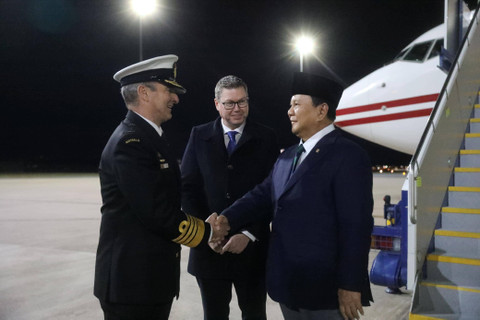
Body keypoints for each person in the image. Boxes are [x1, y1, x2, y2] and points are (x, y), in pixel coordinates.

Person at [214, 72, 374, 320]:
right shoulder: (288, 155)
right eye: (290, 105)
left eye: (296, 104)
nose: (289, 111)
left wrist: (351, 284)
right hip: (289, 286)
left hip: (326, 291)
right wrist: (226, 219)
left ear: (322, 111)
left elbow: (356, 226)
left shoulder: (347, 156)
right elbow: (262, 194)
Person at [94, 55, 227, 320]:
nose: (175, 98)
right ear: (144, 93)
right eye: (168, 90)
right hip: (131, 286)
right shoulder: (130, 143)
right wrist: (209, 231)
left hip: (148, 281)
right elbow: (157, 214)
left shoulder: (149, 137)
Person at [181, 75, 279, 320]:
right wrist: (207, 231)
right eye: (229, 103)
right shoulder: (199, 135)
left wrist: (248, 234)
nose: (237, 108)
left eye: (242, 101)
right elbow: (188, 188)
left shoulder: (267, 137)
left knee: (255, 314)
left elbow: (272, 193)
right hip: (210, 250)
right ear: (217, 104)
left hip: (251, 249)